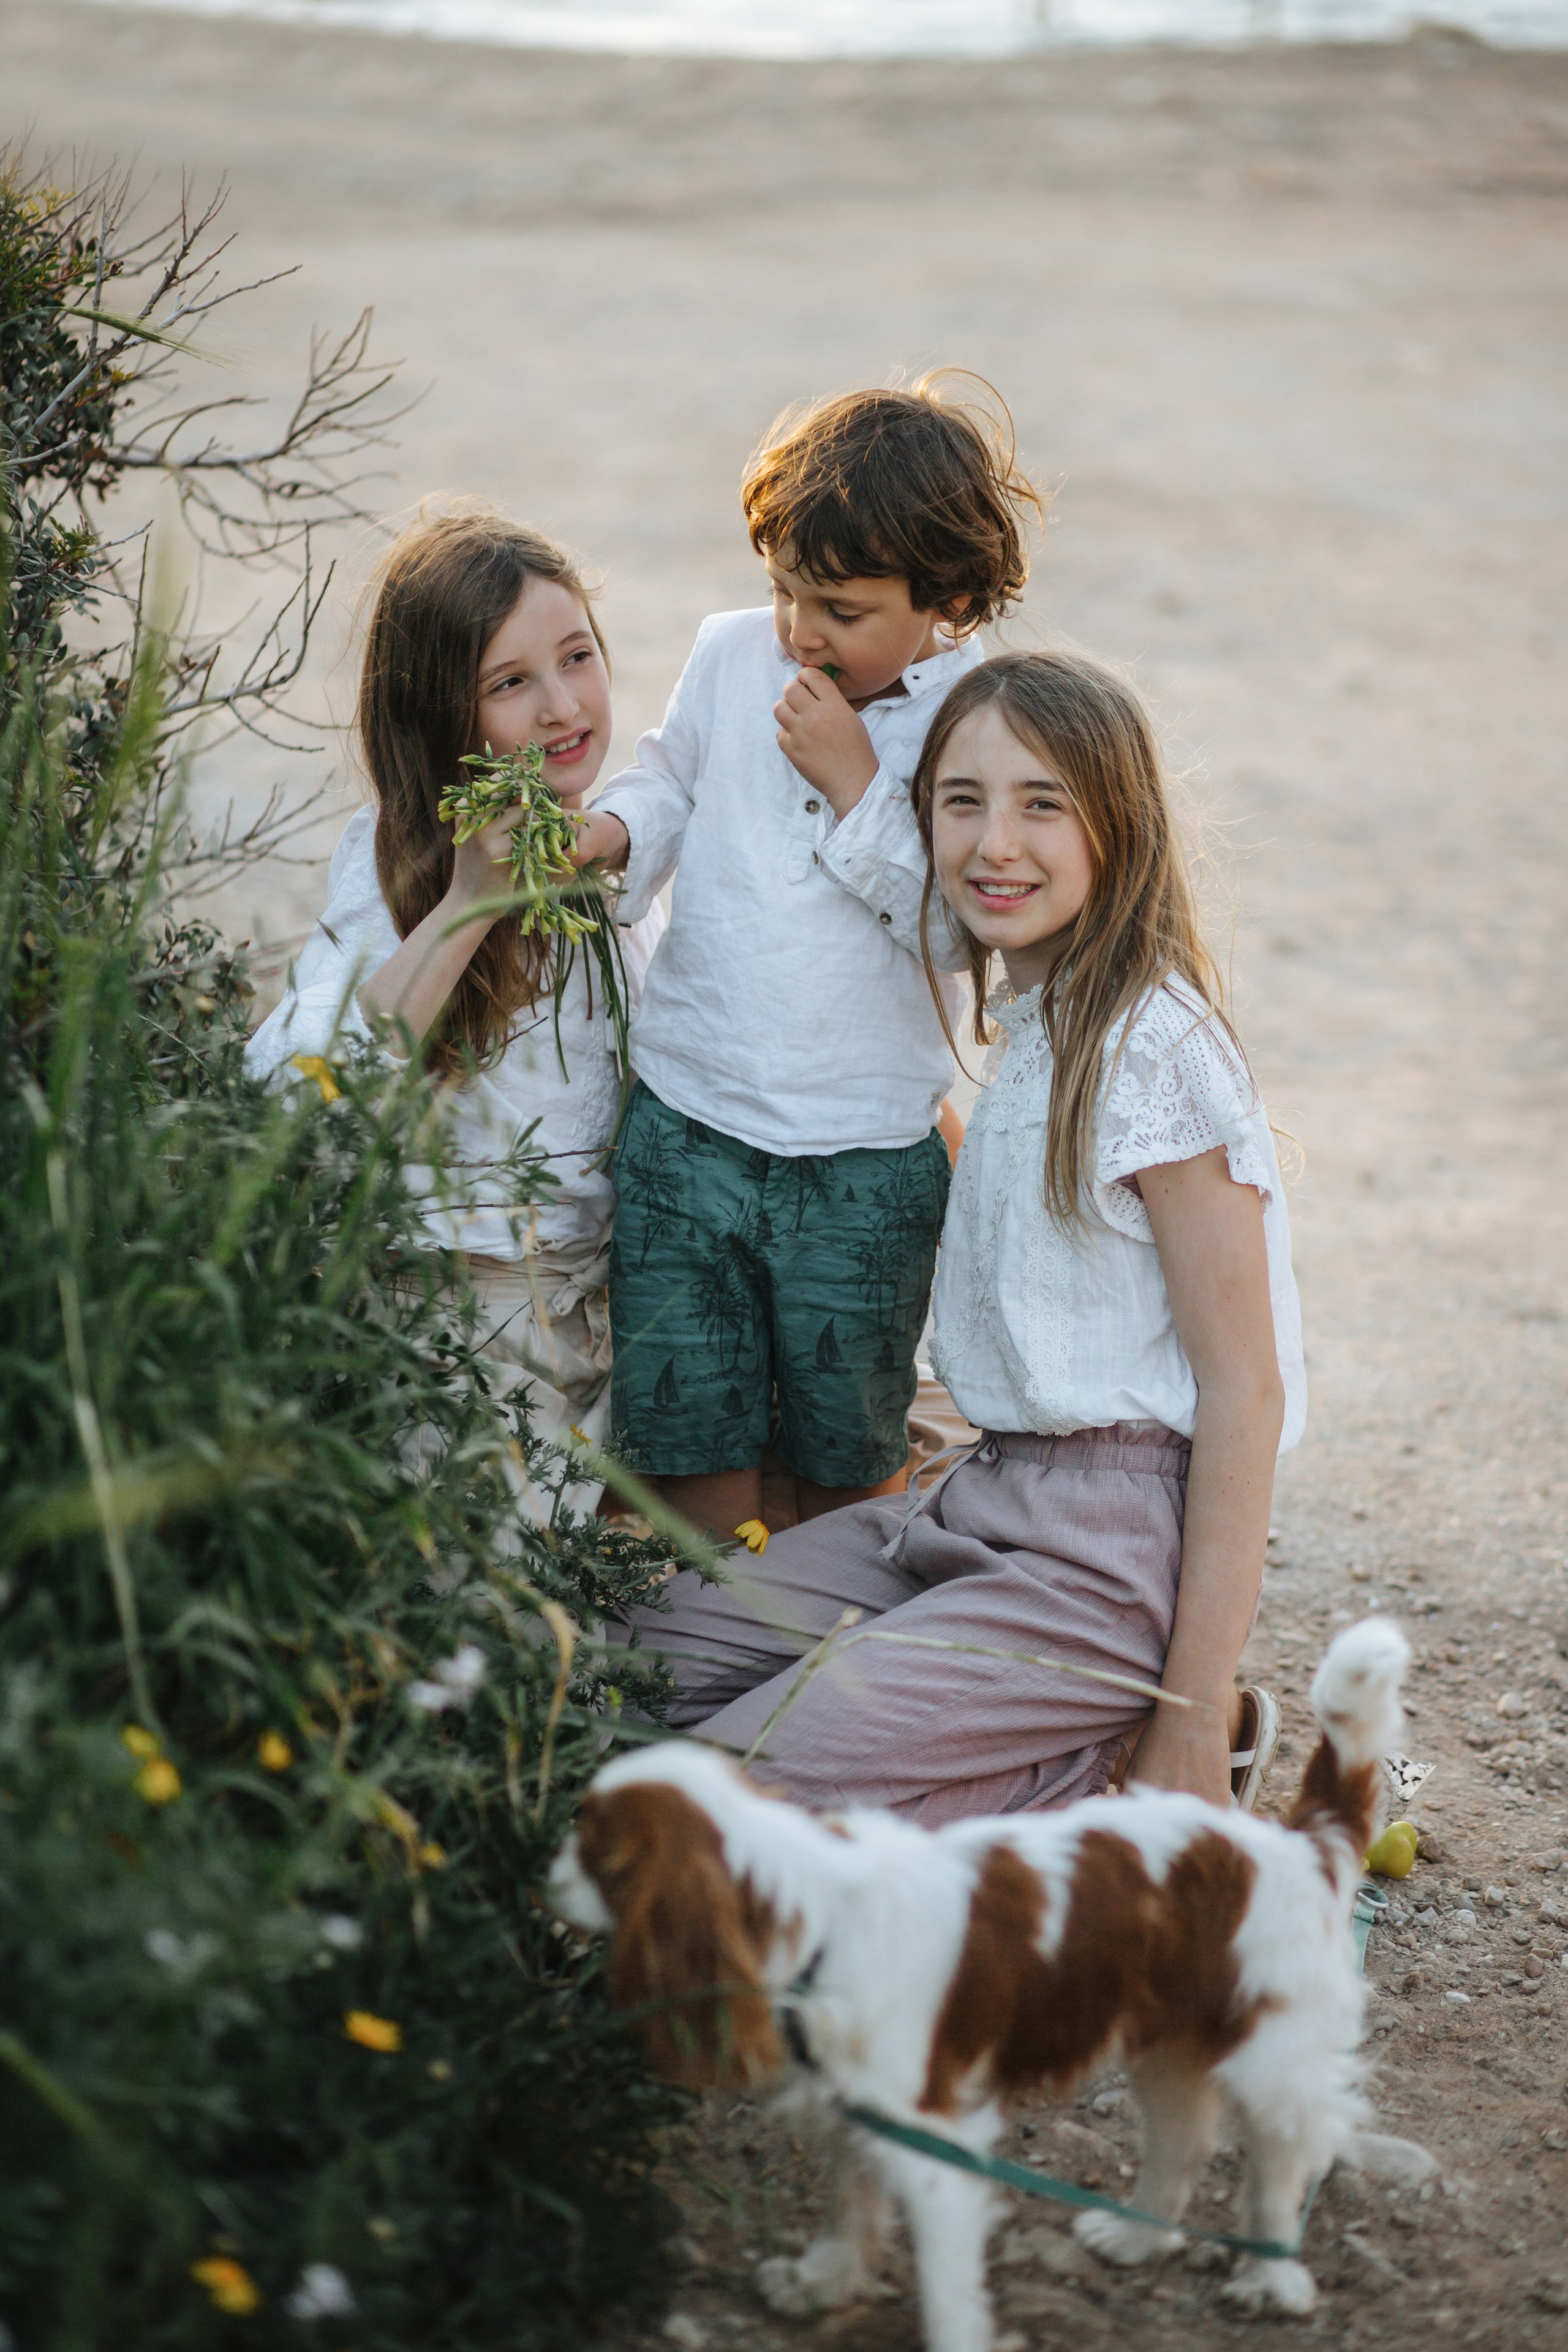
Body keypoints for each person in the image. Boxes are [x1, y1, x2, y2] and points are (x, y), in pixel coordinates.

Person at [624, 650, 1303, 1818]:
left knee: (715, 1808)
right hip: (980, 1502)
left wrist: (1190, 1717)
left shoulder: (1156, 1056)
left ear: (1118, 826)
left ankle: (1125, 1756)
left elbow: (1248, 1391)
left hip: (1100, 1558)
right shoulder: (1039, 1016)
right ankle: (1021, 1748)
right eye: (962, 801)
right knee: (623, 1667)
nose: (996, 844)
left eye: (1043, 804)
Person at [567, 377, 1043, 1539]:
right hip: (690, 1124)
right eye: (782, 589)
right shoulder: (733, 657)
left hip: (863, 1160)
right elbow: (671, 774)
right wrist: (621, 832)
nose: (799, 631)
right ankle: (703, 1658)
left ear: (955, 600)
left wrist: (858, 786)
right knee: (687, 1436)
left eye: (838, 607)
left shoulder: (969, 724)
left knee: (848, 1450)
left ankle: (835, 1669)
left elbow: (956, 928)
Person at [246, 508, 663, 1522]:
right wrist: (472, 903)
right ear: (441, 717)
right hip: (469, 1324)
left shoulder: (597, 852)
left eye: (578, 657)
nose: (565, 705)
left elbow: (678, 786)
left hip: (597, 1310)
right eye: (510, 683)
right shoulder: (395, 862)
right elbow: (301, 1082)